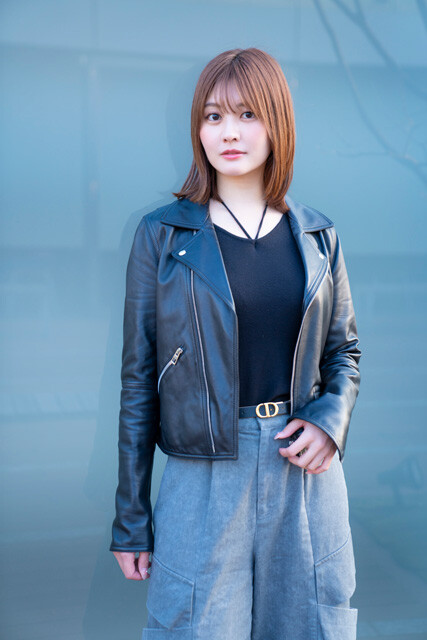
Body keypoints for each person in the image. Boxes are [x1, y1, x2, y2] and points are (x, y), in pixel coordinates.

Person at [110, 47, 361, 640]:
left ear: (278, 124)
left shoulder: (318, 237)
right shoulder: (162, 236)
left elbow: (344, 352)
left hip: (304, 472)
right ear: (198, 128)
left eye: (248, 114)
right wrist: (131, 517)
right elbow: (139, 380)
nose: (229, 132)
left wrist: (330, 421)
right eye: (214, 115)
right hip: (202, 474)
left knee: (314, 626)